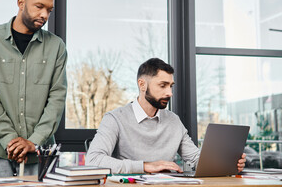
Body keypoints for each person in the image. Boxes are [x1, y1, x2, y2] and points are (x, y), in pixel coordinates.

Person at [86, 58, 246, 174]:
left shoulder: (173, 121)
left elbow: (197, 160)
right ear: (142, 85)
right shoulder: (115, 119)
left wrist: (227, 163)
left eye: (171, 86)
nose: (169, 93)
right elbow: (93, 160)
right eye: (162, 86)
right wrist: (145, 166)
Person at [0, 0, 67, 177]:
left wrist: (34, 141)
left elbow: (57, 99)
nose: (44, 15)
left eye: (49, 10)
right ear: (21, 3)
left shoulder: (56, 46)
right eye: (39, 7)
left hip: (40, 154)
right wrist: (10, 140)